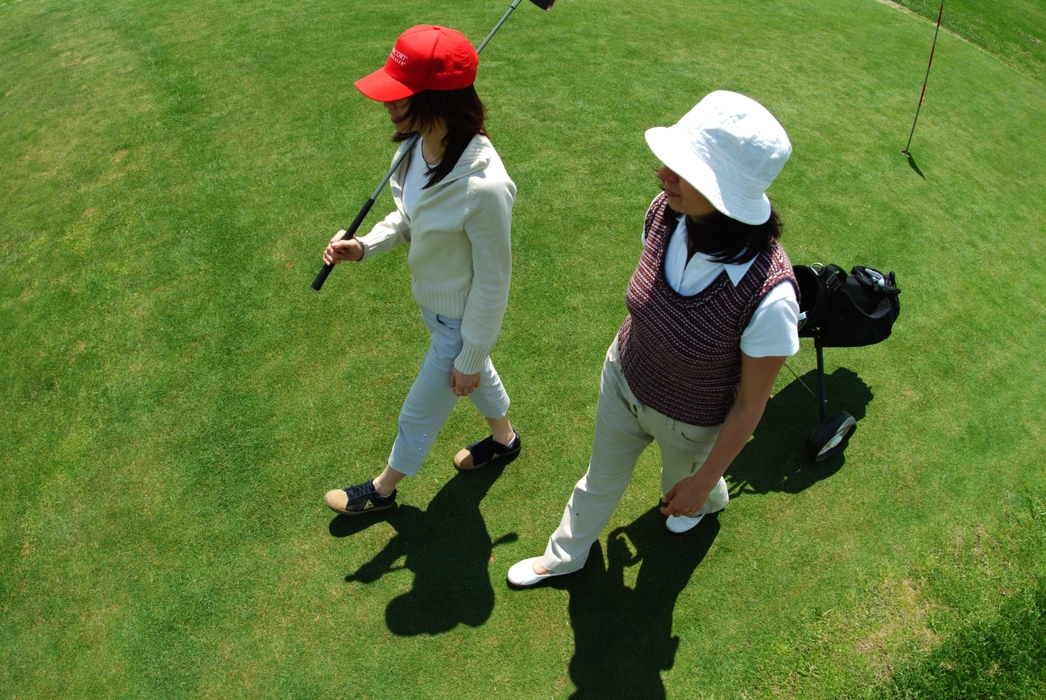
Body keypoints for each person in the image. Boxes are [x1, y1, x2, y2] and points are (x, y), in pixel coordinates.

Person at [508, 91, 800, 588]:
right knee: (599, 480)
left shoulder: (771, 296)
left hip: (692, 422)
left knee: (681, 491)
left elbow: (752, 404)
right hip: (624, 375)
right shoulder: (664, 212)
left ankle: (711, 498)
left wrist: (704, 480)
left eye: (685, 168)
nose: (663, 173)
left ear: (727, 195)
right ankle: (566, 555)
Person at [322, 25, 520, 517]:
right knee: (472, 378)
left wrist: (471, 353)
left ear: (438, 99)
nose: (387, 103)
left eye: (401, 94)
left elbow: (495, 280)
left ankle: (383, 489)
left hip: (460, 321)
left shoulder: (486, 187)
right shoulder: (414, 147)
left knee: (422, 408)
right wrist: (364, 245)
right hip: (434, 309)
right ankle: (506, 439)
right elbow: (409, 217)